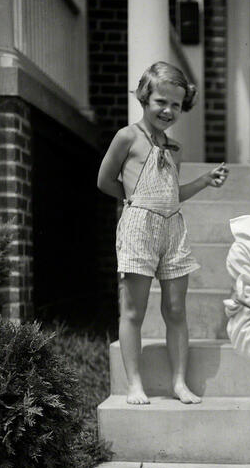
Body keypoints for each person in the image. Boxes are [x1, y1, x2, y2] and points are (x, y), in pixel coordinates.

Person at [97, 61, 228, 405]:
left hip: (173, 228)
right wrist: (132, 201)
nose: (168, 110)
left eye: (175, 104)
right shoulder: (128, 137)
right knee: (133, 311)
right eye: (161, 102)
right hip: (139, 226)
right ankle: (135, 383)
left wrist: (203, 181)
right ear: (144, 97)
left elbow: (173, 193)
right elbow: (103, 180)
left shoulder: (174, 148)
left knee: (176, 309)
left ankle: (179, 382)